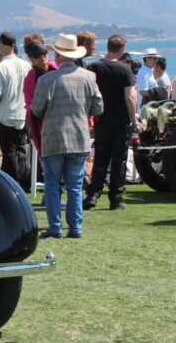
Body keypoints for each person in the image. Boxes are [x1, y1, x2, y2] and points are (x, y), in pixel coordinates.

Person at [32, 34, 103, 239]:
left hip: (53, 137)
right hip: (79, 137)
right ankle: (76, 227)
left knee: (52, 185)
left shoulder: (46, 80)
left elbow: (36, 110)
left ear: (57, 53)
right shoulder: (88, 77)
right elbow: (99, 107)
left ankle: (55, 226)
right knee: (75, 185)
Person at [84, 35, 137, 211]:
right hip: (121, 120)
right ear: (121, 50)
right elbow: (129, 97)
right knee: (119, 160)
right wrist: (134, 119)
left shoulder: (94, 67)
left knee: (100, 157)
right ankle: (116, 197)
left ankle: (93, 194)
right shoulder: (125, 70)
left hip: (101, 119)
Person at [0, 31, 32, 187]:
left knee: (9, 153)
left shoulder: (0, 68)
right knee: (21, 151)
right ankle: (19, 180)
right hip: (23, 113)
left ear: (4, 45)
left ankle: (13, 183)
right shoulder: (26, 65)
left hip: (5, 114)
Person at [22, 38, 58, 157]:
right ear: (31, 59)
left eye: (44, 54)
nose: (42, 58)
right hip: (44, 126)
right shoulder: (29, 80)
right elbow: (29, 105)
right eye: (37, 56)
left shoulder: (58, 70)